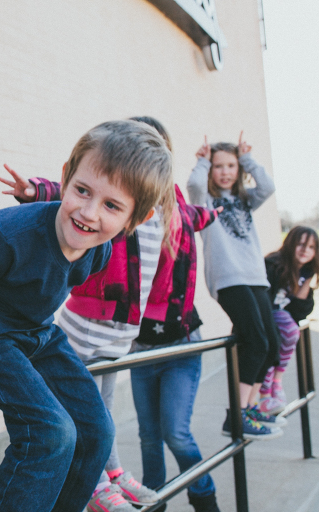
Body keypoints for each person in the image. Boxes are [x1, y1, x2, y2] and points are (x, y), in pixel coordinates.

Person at [0, 120, 174, 512]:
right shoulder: (5, 234)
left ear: (135, 219)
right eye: (82, 191)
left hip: (35, 331)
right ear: (66, 176)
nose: (88, 213)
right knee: (50, 432)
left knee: (96, 431)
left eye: (111, 205)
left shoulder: (97, 250)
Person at [0, 116, 175, 512]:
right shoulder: (100, 199)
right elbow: (77, 187)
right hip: (87, 323)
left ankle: (113, 474)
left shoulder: (156, 212)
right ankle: (96, 484)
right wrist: (33, 190)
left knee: (102, 412)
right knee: (81, 412)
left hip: (121, 331)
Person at [130, 184, 221, 512]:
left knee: (176, 433)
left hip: (180, 346)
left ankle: (204, 498)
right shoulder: (128, 219)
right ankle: (155, 501)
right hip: (141, 348)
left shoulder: (178, 214)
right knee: (148, 436)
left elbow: (205, 213)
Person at [187, 131, 283, 439]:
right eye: (219, 166)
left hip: (255, 277)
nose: (225, 172)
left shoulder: (244, 200)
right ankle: (237, 416)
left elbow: (267, 186)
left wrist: (247, 159)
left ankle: (250, 407)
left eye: (231, 166)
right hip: (229, 279)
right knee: (255, 340)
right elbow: (193, 185)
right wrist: (202, 161)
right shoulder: (205, 201)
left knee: (271, 346)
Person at [257, 226, 318, 415]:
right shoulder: (274, 264)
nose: (305, 250)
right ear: (290, 243)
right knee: (285, 334)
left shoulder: (305, 272)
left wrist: (308, 278)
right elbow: (264, 300)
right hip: (267, 314)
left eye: (311, 247)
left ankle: (276, 382)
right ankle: (267, 389)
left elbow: (299, 312)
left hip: (280, 315)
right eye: (300, 244)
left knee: (291, 332)